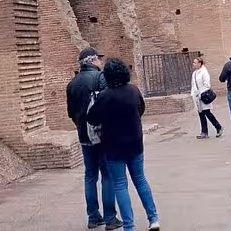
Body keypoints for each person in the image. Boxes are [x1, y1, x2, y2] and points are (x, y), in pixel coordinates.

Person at [87, 58, 160, 231]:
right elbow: (141, 109)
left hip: (113, 147)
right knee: (141, 180)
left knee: (120, 185)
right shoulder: (134, 91)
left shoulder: (105, 96)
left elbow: (92, 118)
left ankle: (129, 226)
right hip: (135, 143)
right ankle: (154, 218)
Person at [66, 47, 121, 230]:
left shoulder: (72, 84)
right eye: (98, 58)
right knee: (107, 174)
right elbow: (109, 105)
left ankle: (93, 217)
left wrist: (82, 126)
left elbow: (71, 113)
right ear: (91, 61)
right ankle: (110, 218)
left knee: (90, 175)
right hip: (102, 135)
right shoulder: (100, 78)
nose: (100, 61)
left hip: (83, 135)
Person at [190, 57, 223, 139]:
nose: (193, 64)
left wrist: (201, 93)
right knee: (201, 114)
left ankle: (218, 127)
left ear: (199, 63)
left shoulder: (204, 72)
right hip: (197, 97)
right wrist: (193, 94)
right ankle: (204, 132)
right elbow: (193, 85)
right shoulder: (194, 73)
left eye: (195, 62)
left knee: (207, 112)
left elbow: (207, 84)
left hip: (203, 96)